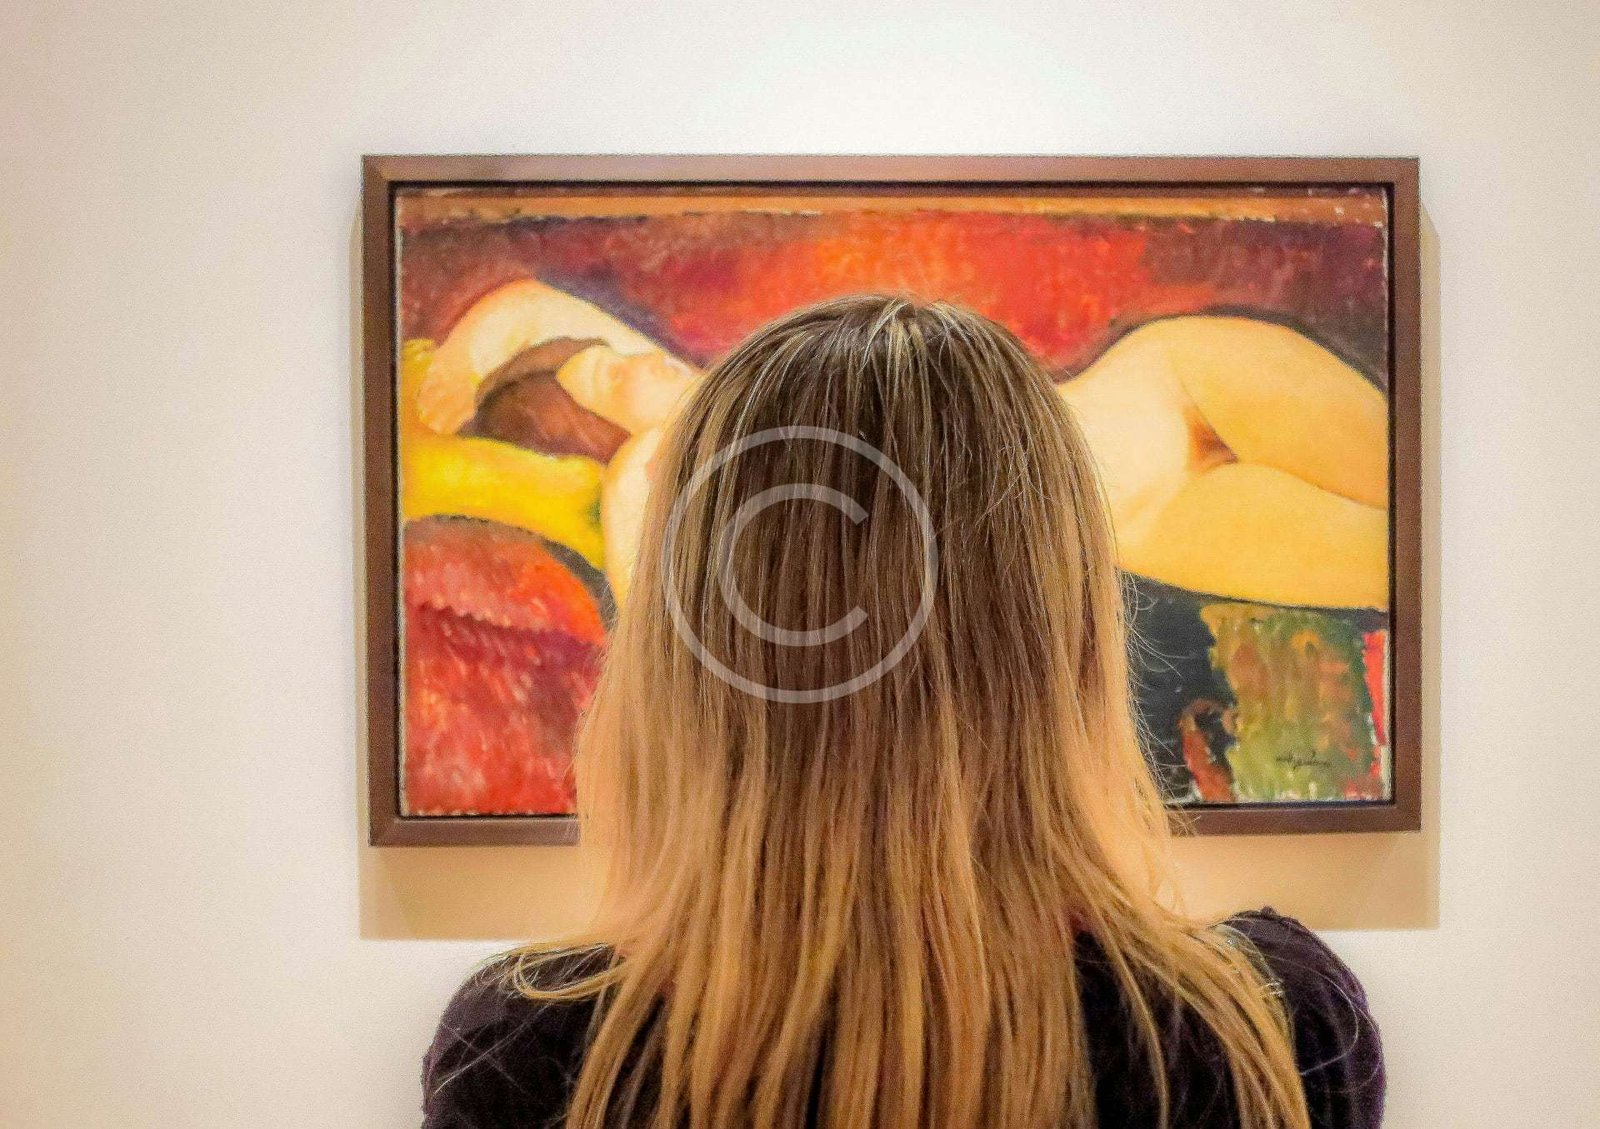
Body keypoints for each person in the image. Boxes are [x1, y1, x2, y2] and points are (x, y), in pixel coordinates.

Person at [419, 295, 1385, 1129]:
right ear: (1073, 646)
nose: (628, 373)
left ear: (675, 680)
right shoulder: (1266, 1031)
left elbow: (523, 313)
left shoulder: (534, 1057)